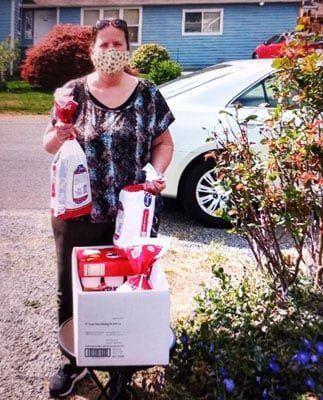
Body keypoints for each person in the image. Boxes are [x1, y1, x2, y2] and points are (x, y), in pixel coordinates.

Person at [43, 18, 174, 398]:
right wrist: (60, 133)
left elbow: (164, 143)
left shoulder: (148, 94)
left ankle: (122, 367)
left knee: (128, 287)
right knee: (73, 285)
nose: (111, 51)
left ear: (127, 49)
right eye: (104, 44)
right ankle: (75, 363)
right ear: (92, 49)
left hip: (131, 214)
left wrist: (157, 170)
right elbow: (48, 143)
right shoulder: (73, 93)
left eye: (118, 44)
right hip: (78, 211)